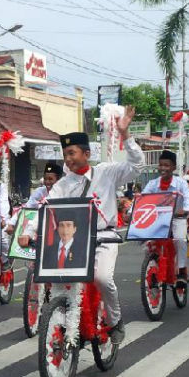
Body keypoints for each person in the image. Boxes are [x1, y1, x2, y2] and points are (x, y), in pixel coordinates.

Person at [18, 106, 143, 346]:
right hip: (74, 241)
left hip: (104, 239)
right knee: (60, 284)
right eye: (65, 154)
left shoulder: (106, 173)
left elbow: (136, 167)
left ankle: (115, 321)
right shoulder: (63, 184)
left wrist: (125, 135)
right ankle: (67, 324)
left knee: (102, 278)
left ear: (86, 153)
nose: (68, 158)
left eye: (72, 153)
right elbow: (45, 207)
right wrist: (28, 232)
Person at [140, 149, 189, 286]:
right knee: (146, 243)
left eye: (167, 165)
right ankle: (152, 267)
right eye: (161, 165)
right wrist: (131, 211)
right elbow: (142, 198)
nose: (163, 168)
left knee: (180, 240)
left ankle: (181, 271)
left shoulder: (181, 183)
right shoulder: (152, 184)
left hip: (177, 218)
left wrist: (185, 210)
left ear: (173, 167)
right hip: (158, 219)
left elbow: (187, 197)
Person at [5, 161, 62, 233]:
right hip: (39, 227)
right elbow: (26, 208)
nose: (47, 182)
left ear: (58, 180)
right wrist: (11, 223)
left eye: (50, 179)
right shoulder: (40, 192)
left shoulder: (64, 193)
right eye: (45, 179)